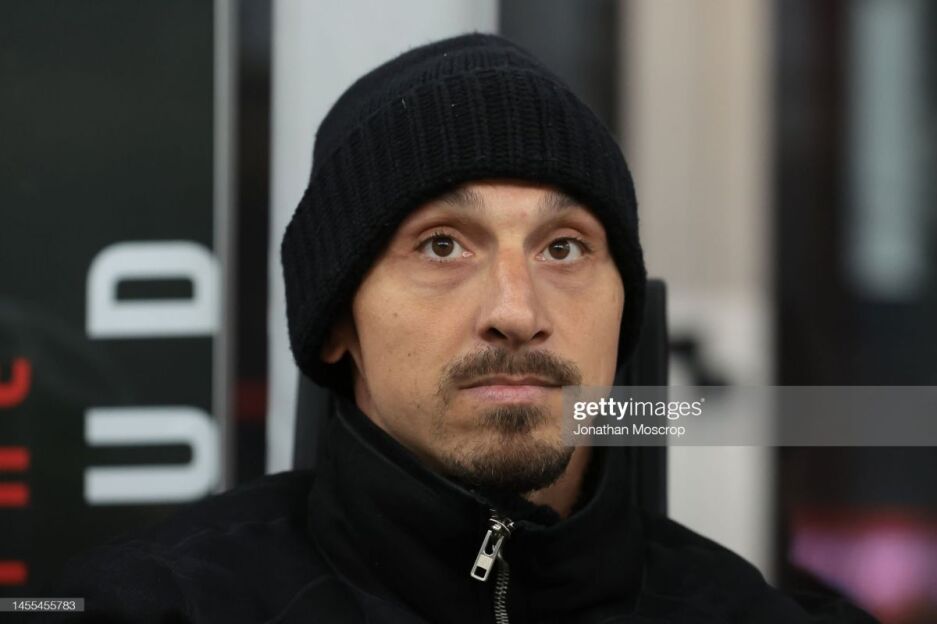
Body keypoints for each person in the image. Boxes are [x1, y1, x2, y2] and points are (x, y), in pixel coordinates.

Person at [46, 33, 877, 623]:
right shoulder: (152, 607)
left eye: (563, 248)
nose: (516, 312)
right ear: (337, 324)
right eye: (442, 245)